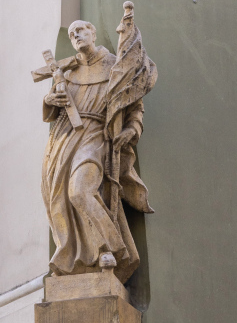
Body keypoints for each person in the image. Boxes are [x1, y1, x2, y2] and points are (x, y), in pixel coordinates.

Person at [41, 15, 155, 283]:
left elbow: (134, 103)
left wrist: (133, 129)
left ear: (93, 33)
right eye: (72, 34)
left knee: (80, 190)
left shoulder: (115, 66)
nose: (76, 36)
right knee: (60, 199)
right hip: (65, 139)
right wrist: (50, 99)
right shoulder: (67, 72)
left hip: (97, 136)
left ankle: (110, 247)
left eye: (81, 30)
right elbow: (52, 111)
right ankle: (78, 254)